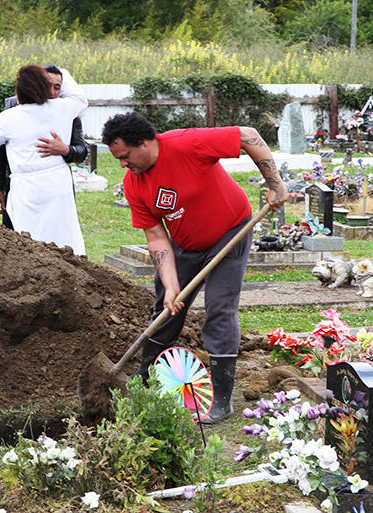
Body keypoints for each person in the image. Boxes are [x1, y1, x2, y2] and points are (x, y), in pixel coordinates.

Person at [101, 112, 288, 423]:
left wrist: (276, 183)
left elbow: (248, 134)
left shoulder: (186, 144)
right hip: (185, 243)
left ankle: (222, 399)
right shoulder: (133, 184)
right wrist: (172, 286)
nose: (123, 164)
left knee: (219, 309)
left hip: (230, 231)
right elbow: (157, 237)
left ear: (145, 143)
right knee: (166, 306)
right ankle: (146, 374)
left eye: (125, 156)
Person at [0, 65, 87, 255]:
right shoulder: (61, 108)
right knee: (63, 235)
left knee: (29, 241)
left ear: (18, 94)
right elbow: (80, 98)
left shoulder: (6, 118)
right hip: (55, 183)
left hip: (27, 188)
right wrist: (63, 70)